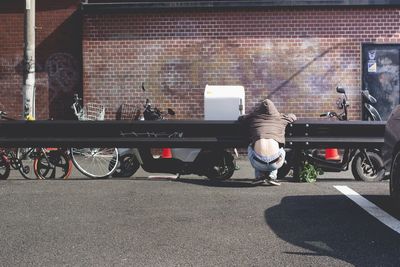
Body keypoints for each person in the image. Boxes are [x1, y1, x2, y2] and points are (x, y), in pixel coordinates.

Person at [238, 99, 296, 186]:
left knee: (251, 146)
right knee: (280, 149)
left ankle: (259, 177)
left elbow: (241, 118)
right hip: (276, 163)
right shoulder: (281, 118)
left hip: (257, 163)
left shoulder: (253, 118)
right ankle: (272, 177)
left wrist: (252, 114)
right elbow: (293, 117)